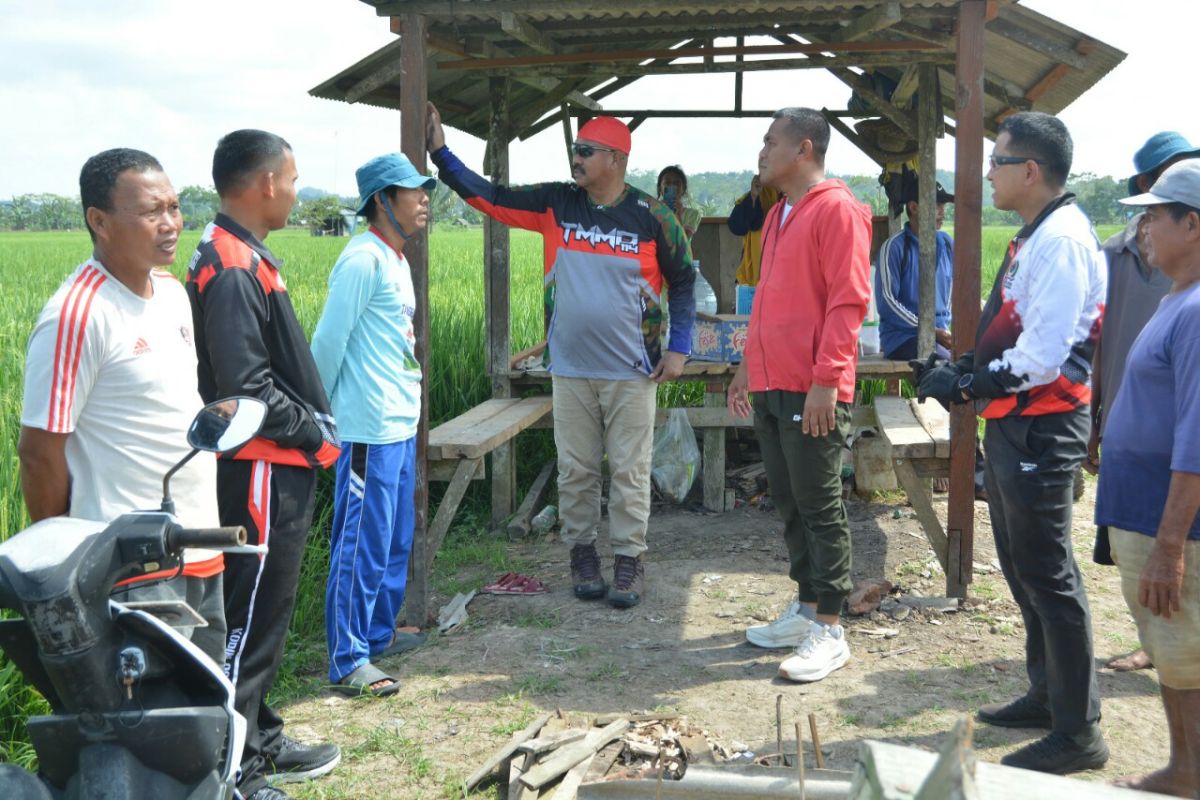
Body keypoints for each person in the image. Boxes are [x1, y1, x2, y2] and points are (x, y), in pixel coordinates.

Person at [427, 104, 695, 610]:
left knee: (631, 471)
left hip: (633, 371)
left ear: (615, 159)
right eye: (575, 150)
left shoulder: (653, 216)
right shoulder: (556, 204)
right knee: (575, 470)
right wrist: (441, 154)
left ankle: (629, 560)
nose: (576, 158)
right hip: (569, 369)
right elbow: (490, 197)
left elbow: (682, 282)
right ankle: (582, 554)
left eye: (585, 151)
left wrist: (679, 349)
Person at [916, 112, 1108, 774]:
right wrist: (966, 370)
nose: (988, 173)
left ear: (1031, 171)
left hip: (1043, 424)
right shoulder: (1039, 235)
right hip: (1017, 419)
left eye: (997, 161)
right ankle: (1047, 692)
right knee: (1026, 567)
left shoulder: (1061, 243)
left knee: (1049, 575)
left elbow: (1047, 355)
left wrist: (968, 384)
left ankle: (1079, 730)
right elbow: (1013, 329)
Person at [18, 148, 225, 663]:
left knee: (206, 709)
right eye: (152, 211)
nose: (170, 223)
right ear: (100, 221)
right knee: (149, 722)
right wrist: (65, 560)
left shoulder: (172, 293)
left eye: (174, 208)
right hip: (130, 566)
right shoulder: (78, 314)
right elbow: (40, 452)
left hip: (201, 544)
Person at [186, 130, 341, 800]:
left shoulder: (244, 254)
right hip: (260, 467)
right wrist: (315, 434)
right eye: (296, 178)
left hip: (275, 463)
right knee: (247, 623)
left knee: (264, 616)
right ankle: (235, 773)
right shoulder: (231, 267)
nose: (299, 190)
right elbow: (246, 389)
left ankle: (261, 737)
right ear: (268, 183)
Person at [727, 108, 872, 683]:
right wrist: (744, 368)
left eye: (770, 142)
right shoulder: (781, 213)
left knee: (819, 506)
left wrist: (824, 382)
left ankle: (830, 629)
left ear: (803, 149)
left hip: (810, 386)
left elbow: (848, 303)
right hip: (770, 381)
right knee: (788, 500)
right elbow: (766, 299)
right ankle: (807, 607)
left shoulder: (837, 208)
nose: (761, 152)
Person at [310, 154, 436, 697]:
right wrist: (318, 418)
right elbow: (326, 344)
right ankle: (347, 659)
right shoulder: (362, 259)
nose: (425, 199)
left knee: (392, 536)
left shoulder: (396, 258)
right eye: (413, 191)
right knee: (361, 541)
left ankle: (379, 635)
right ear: (383, 201)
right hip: (366, 427)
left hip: (398, 423)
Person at [1097, 159, 1200, 799]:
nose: (1143, 226)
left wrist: (1169, 545)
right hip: (1143, 511)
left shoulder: (1196, 311)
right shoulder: (1176, 300)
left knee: (1186, 655)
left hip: (1172, 526)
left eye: (1156, 215)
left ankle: (1191, 773)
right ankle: (1184, 768)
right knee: (1171, 654)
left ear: (1192, 225)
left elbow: (1196, 436)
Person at [875, 180, 954, 361]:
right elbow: (887, 303)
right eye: (936, 205)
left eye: (943, 205)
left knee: (977, 359)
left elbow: (952, 289)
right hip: (902, 339)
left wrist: (942, 328)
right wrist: (930, 330)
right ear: (913, 207)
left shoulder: (948, 244)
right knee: (946, 364)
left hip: (940, 334)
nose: (942, 211)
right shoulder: (894, 248)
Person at [727, 174, 780, 287]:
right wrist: (754, 197)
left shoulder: (800, 197)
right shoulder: (754, 196)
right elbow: (736, 227)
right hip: (754, 278)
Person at [656, 165, 702, 241]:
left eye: (677, 183)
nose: (672, 186)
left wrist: (678, 214)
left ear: (683, 188)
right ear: (660, 188)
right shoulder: (652, 211)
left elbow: (683, 241)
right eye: (667, 182)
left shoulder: (693, 214)